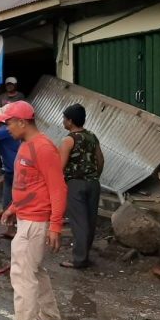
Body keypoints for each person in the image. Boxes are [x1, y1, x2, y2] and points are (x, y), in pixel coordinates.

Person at [0, 101, 66, 320]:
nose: (6, 127)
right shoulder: (26, 144)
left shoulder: (43, 148)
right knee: (34, 269)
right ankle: (49, 315)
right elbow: (31, 184)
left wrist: (55, 226)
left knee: (23, 273)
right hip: (28, 216)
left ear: (22, 122)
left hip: (36, 220)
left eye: (8, 122)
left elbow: (57, 188)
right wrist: (14, 207)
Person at [58, 103, 104, 269]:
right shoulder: (92, 136)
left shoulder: (68, 140)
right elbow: (100, 160)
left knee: (78, 222)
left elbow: (60, 166)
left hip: (75, 184)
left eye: (64, 118)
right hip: (93, 183)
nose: (63, 121)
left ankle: (79, 259)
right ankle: (85, 255)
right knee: (90, 221)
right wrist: (94, 177)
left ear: (70, 121)